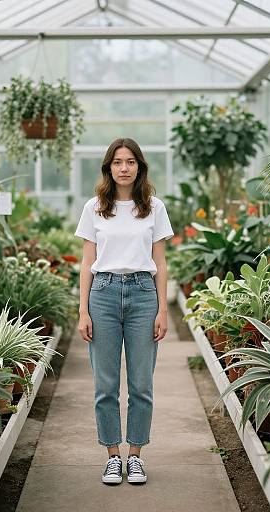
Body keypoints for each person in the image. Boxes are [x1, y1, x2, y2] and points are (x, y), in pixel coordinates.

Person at [74, 137, 174, 486]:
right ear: (108, 167)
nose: (124, 168)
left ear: (140, 166)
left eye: (130, 161)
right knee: (105, 385)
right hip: (102, 294)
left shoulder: (154, 208)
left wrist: (163, 310)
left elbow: (160, 263)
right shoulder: (95, 207)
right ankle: (112, 457)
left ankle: (135, 457)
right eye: (117, 162)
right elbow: (87, 262)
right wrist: (83, 310)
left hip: (143, 295)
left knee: (142, 384)